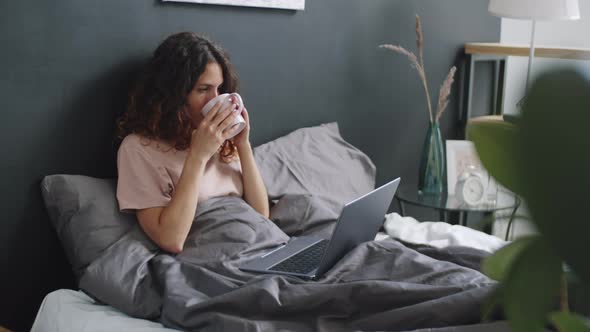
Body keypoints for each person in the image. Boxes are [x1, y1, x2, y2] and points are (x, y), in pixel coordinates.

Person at [115, 32, 269, 254]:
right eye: (203, 89)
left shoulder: (223, 141)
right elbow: (171, 239)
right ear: (173, 95)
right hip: (215, 256)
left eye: (219, 89)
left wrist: (242, 144)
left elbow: (262, 216)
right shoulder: (138, 149)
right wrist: (198, 155)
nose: (214, 100)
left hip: (260, 246)